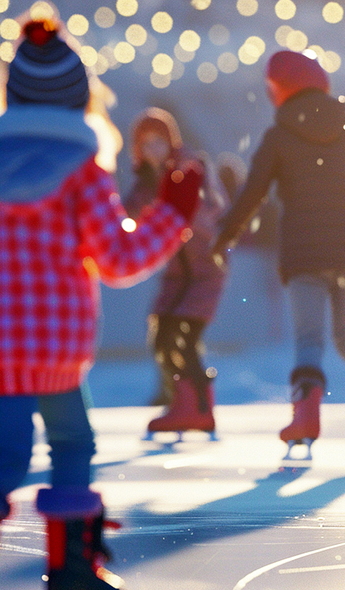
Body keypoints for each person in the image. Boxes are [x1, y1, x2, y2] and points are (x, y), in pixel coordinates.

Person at [0, 17, 201, 590]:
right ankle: (74, 570)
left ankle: (75, 568)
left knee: (1, 456)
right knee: (71, 446)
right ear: (80, 99)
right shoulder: (83, 171)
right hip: (58, 346)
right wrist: (172, 213)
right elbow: (118, 258)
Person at [213, 49, 345, 455]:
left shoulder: (278, 135)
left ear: (278, 88)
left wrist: (224, 236)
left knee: (309, 338)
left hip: (304, 254)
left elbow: (253, 193)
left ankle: (306, 416)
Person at [124, 108, 227, 439]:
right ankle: (183, 403)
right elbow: (125, 215)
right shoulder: (145, 183)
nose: (153, 149)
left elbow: (207, 210)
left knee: (184, 337)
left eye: (158, 141)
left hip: (203, 271)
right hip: (175, 276)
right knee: (162, 336)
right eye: (145, 144)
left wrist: (181, 223)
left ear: (171, 141)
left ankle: (199, 408)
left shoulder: (190, 168)